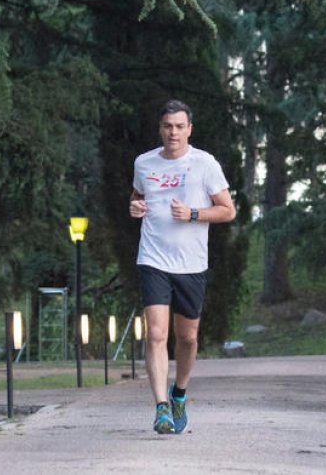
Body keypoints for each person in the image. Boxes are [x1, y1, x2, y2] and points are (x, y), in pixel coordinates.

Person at [129, 99, 236, 434]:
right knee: (157, 334)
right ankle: (161, 408)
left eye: (179, 126)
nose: (173, 132)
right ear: (160, 128)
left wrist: (192, 213)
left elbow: (228, 210)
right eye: (167, 126)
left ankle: (179, 394)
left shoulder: (205, 164)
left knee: (187, 338)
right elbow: (136, 197)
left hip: (191, 263)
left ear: (189, 129)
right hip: (153, 258)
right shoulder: (144, 163)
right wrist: (134, 207)